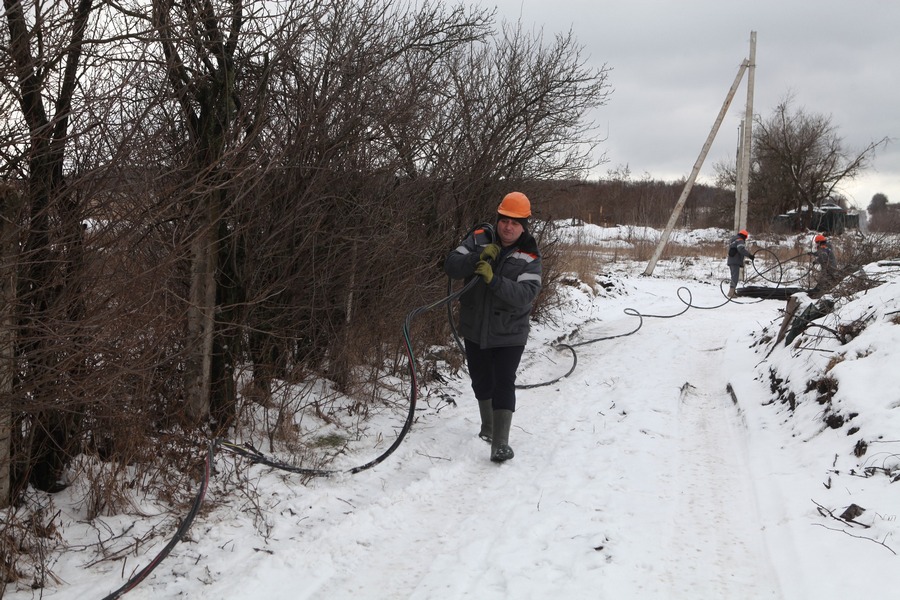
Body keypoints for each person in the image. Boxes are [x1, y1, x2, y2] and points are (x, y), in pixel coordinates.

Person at [443, 192, 542, 463]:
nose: (509, 227)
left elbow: (525, 294)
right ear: (498, 218)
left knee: (503, 381)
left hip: (510, 332)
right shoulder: (478, 237)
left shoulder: (529, 254)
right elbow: (451, 265)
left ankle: (500, 443)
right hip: (475, 327)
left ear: (524, 225)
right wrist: (476, 258)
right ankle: (488, 427)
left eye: (516, 222)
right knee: (481, 379)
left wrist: (494, 281)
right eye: (505, 220)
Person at [726, 229, 755, 298]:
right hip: (735, 261)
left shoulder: (733, 240)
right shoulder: (740, 240)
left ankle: (732, 291)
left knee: (734, 276)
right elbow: (741, 249)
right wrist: (749, 255)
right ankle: (731, 292)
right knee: (735, 277)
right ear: (744, 236)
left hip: (731, 261)